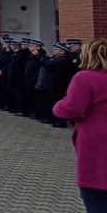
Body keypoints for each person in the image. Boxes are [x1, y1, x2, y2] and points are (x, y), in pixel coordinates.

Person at [54, 39, 107, 212]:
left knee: (96, 200)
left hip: (97, 147)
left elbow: (71, 109)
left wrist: (58, 105)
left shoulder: (85, 77)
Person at [37, 43, 72, 128]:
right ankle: (51, 118)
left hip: (58, 86)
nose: (53, 51)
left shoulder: (62, 60)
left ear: (62, 51)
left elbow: (48, 64)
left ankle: (60, 121)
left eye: (56, 49)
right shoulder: (55, 58)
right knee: (49, 103)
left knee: (57, 103)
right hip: (51, 85)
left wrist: (40, 55)